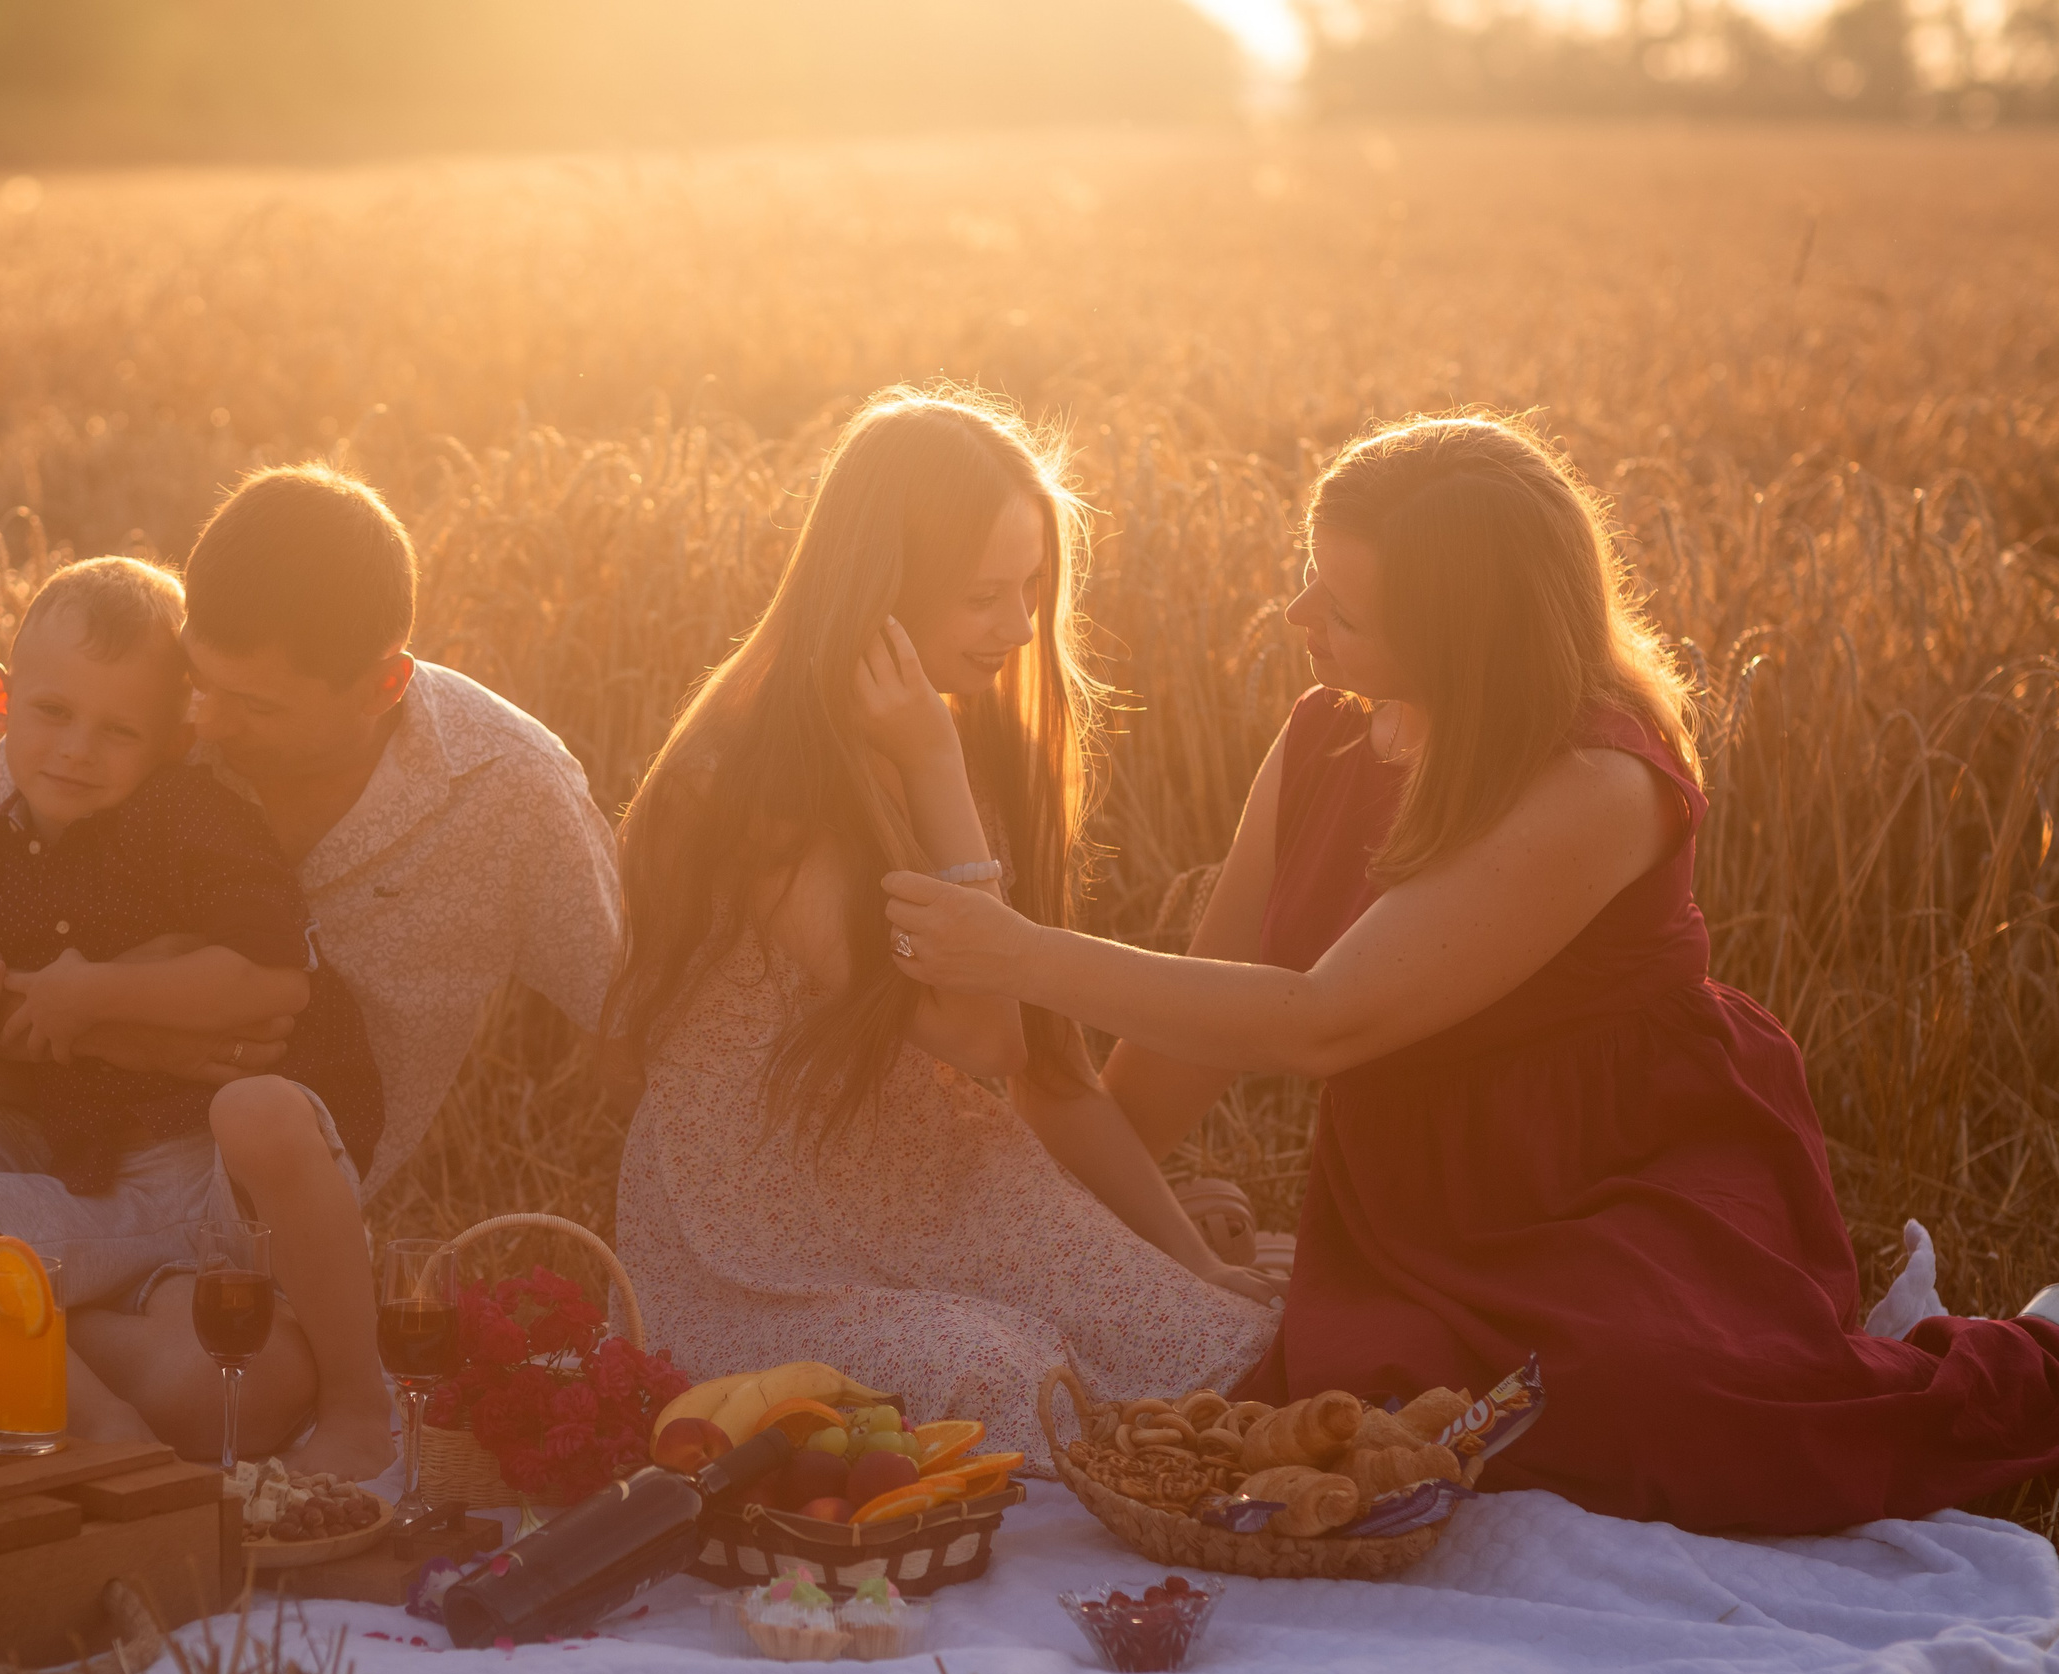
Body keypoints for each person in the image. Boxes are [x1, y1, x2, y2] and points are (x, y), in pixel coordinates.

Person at [881, 412, 2059, 1534]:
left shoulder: (1601, 783)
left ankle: (2028, 1359)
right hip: (1418, 1187)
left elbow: (1321, 1022)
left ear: (1461, 635)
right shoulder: (1325, 734)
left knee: (1635, 1410)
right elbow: (1208, 1011)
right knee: (1364, 1406)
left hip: (1617, 1169)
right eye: (1307, 574)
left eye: (1340, 605)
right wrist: (1090, 1205)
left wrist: (1020, 954)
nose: (1296, 614)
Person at [0, 464, 623, 1470]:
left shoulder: (509, 787)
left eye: (252, 704)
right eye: (203, 684)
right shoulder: (131, 718)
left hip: (228, 1203)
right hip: (45, 1151)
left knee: (216, 1386)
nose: (206, 726)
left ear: (384, 681)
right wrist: (84, 1012)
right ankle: (64, 1402)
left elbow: (636, 1021)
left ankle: (11, 1378)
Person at [608, 385, 1280, 1469]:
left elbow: (1046, 1069)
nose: (1019, 627)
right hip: (758, 1236)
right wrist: (932, 771)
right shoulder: (740, 784)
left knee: (1237, 1348)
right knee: (1003, 1375)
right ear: (879, 591)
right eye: (983, 595)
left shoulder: (977, 736)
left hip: (948, 1190)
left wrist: (1189, 1257)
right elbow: (981, 1039)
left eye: (1030, 587)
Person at [0, 554, 388, 1474]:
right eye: (52, 713)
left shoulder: (194, 817)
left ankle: (359, 1409)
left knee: (257, 1107)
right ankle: (101, 1424)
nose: (77, 749)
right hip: (106, 1187)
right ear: (0, 702)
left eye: (121, 730)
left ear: (177, 738)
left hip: (231, 1183)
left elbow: (276, 972)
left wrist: (94, 990)